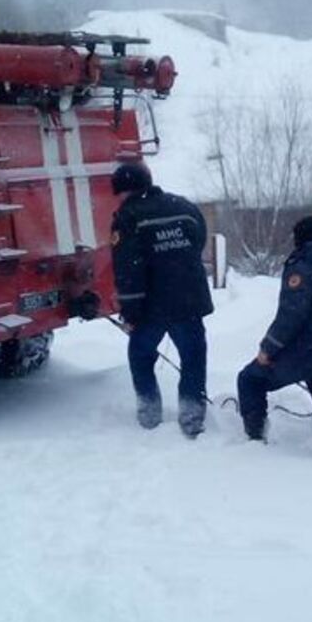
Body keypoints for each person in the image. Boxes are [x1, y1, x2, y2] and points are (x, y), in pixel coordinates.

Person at [237, 216, 312, 458]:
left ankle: (254, 442)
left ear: (298, 240)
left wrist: (267, 350)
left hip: (311, 354)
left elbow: (291, 317)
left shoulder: (302, 266)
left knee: (250, 379)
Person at [110, 161, 213, 437]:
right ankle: (192, 415)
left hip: (151, 307)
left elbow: (128, 269)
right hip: (189, 300)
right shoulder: (185, 207)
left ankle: (149, 413)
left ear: (124, 191)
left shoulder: (127, 216)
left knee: (141, 356)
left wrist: (130, 313)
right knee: (193, 356)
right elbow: (198, 242)